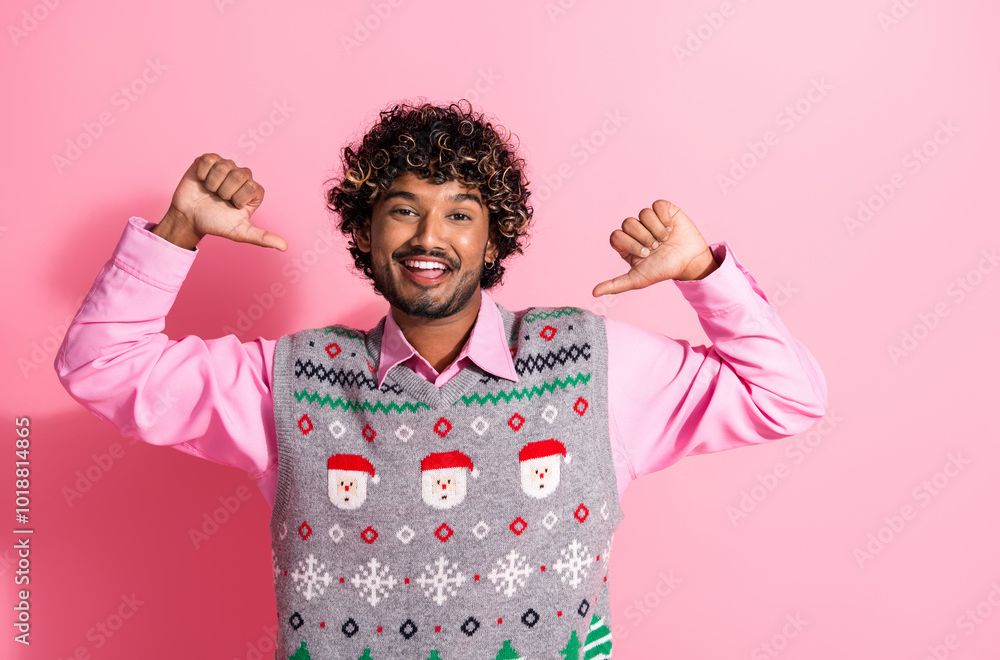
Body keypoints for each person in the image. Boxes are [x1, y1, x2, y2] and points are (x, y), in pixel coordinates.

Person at [55, 99, 828, 660]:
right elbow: (100, 368)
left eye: (461, 213)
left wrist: (701, 274)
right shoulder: (289, 382)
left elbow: (788, 395)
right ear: (365, 231)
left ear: (496, 237)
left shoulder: (593, 365)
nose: (430, 236)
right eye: (403, 210)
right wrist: (176, 233)